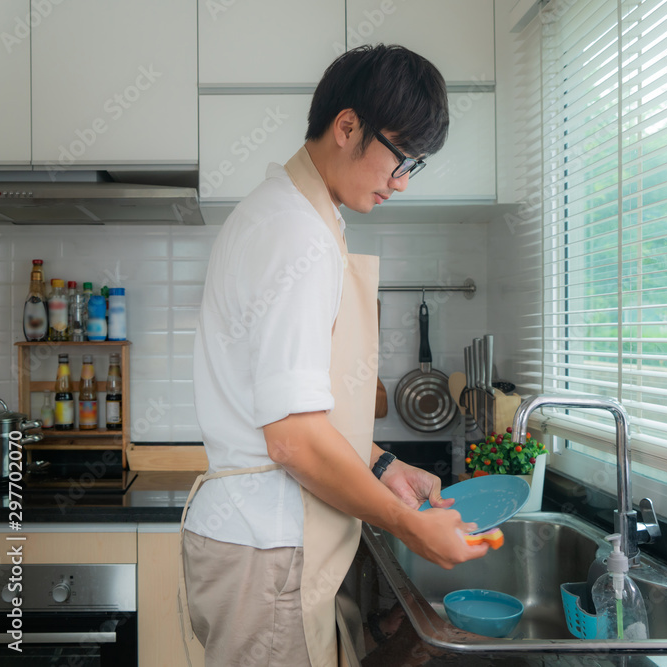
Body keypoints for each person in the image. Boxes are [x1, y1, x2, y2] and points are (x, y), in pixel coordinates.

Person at [179, 44, 489, 667]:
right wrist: (408, 525)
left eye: (414, 168)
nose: (401, 183)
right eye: (401, 160)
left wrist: (382, 467)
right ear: (348, 127)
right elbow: (292, 439)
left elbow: (301, 410)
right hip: (266, 548)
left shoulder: (295, 216)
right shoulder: (295, 233)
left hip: (263, 545)